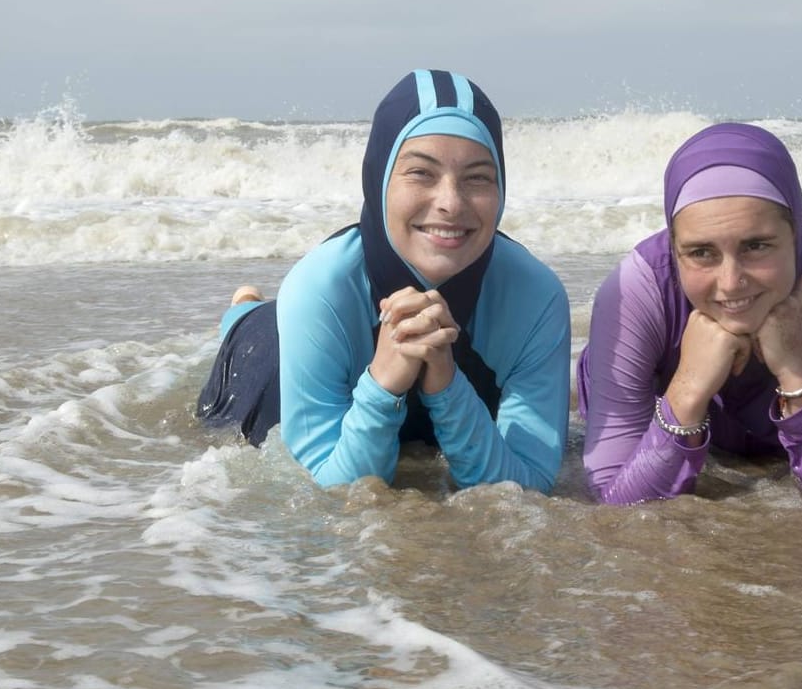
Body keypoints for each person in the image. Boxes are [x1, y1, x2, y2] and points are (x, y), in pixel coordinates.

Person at [197, 69, 570, 492]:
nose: (450, 203)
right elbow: (335, 493)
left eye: (478, 178)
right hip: (272, 345)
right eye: (421, 173)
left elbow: (529, 486)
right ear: (378, 180)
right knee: (255, 347)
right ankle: (243, 307)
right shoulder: (320, 287)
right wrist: (383, 383)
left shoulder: (536, 298)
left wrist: (446, 383)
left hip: (434, 378)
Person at [576, 122, 802, 503]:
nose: (730, 283)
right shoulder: (636, 287)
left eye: (756, 246)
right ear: (674, 247)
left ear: (797, 234)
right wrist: (687, 390)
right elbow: (616, 508)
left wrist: (799, 374)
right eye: (700, 253)